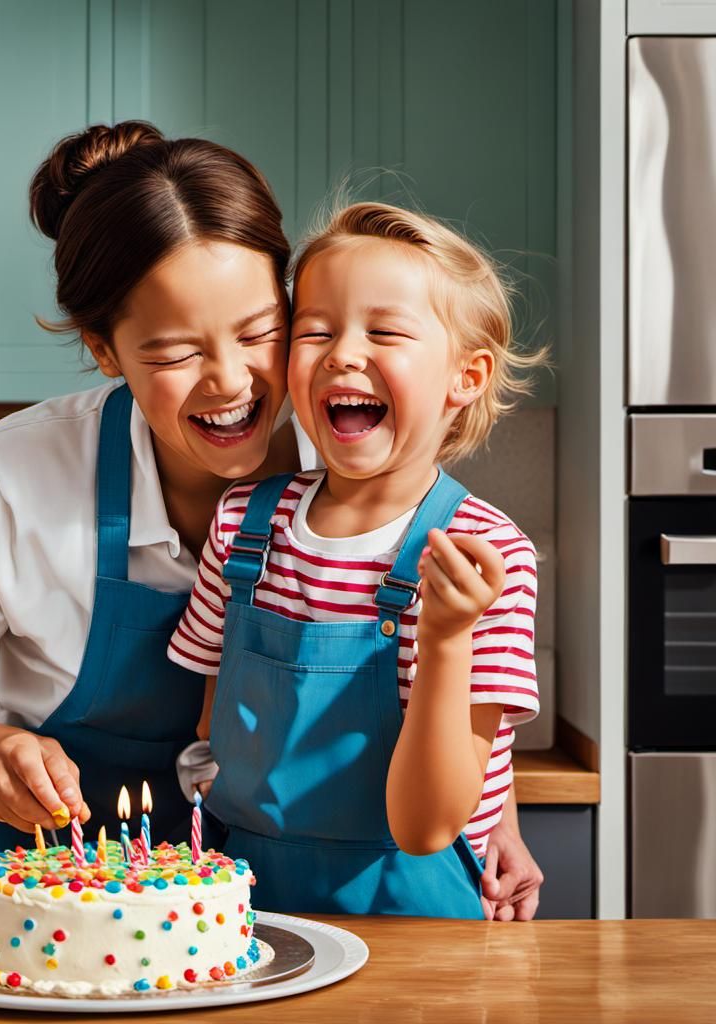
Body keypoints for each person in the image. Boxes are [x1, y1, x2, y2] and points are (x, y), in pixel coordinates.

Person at [0, 122, 542, 919]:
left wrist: (489, 814)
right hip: (46, 908)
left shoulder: (354, 452)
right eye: (171, 353)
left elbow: (425, 685)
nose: (230, 381)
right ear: (104, 350)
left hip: (257, 910)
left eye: (262, 331)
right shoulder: (23, 474)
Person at [168, 202, 548, 918]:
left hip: (412, 915)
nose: (342, 352)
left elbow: (428, 826)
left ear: (465, 377)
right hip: (244, 913)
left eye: (385, 331)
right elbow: (213, 731)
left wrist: (444, 636)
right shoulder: (244, 526)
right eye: (314, 330)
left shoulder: (488, 557)